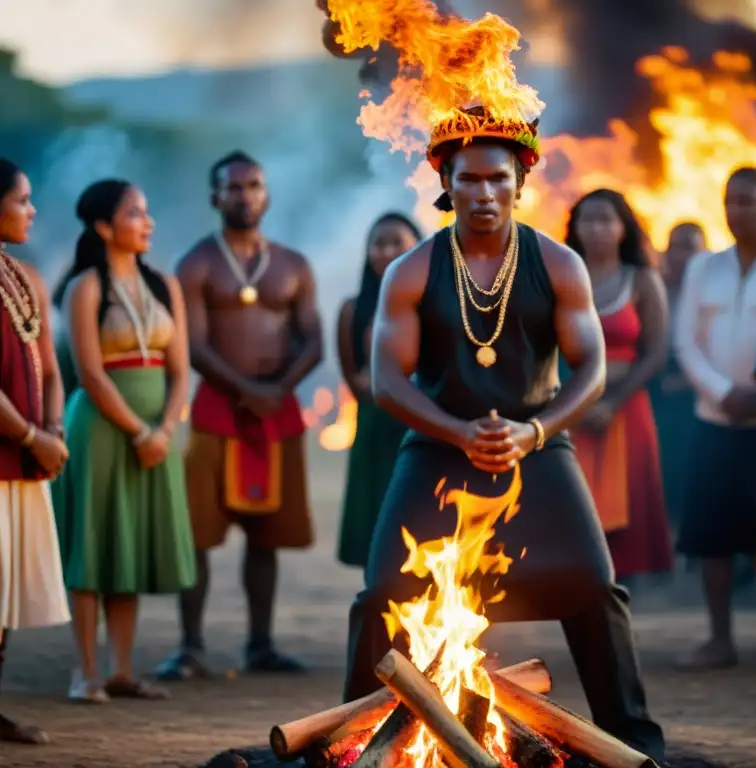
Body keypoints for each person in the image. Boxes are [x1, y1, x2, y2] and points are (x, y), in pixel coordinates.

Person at [343, 107, 665, 760]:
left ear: (521, 183)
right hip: (438, 445)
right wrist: (459, 433)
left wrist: (536, 430)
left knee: (594, 585)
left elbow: (593, 370)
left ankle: (632, 743)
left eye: (497, 179)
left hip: (538, 446)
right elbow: (387, 382)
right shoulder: (411, 270)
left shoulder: (559, 263)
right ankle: (351, 744)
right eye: (470, 180)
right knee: (381, 592)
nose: (484, 193)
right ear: (446, 184)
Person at [156, 151, 323, 680]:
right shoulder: (197, 263)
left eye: (253, 185)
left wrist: (277, 390)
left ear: (266, 194)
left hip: (277, 409)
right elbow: (194, 344)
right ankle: (190, 647)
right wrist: (250, 389)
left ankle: (260, 644)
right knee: (199, 533)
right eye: (232, 187)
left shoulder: (293, 264)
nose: (243, 195)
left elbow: (314, 340)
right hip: (217, 410)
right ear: (214, 197)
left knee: (266, 535)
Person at [52, 179, 195, 703]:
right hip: (102, 428)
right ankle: (85, 671)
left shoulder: (165, 286)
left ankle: (122, 671)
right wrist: (138, 431)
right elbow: (89, 373)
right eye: (135, 213)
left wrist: (164, 429)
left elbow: (180, 370)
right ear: (104, 226)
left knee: (129, 543)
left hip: (155, 430)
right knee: (94, 543)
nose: (147, 222)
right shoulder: (84, 287)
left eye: (146, 211)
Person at [675, 167, 756, 671]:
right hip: (713, 418)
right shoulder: (702, 268)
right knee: (712, 536)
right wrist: (723, 391)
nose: (737, 212)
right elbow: (685, 341)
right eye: (730, 202)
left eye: (748, 202)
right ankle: (719, 638)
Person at [566, 189, 673, 582]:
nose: (596, 229)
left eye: (605, 219)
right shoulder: (561, 277)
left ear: (623, 227)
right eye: (587, 220)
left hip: (625, 410)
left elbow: (656, 351)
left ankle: (621, 595)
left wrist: (611, 403)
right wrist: (576, 400)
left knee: (626, 503)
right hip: (571, 408)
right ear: (575, 228)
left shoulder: (642, 280)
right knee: (574, 503)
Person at [0, 160, 70, 744]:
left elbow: (49, 366)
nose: (32, 209)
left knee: (3, 588)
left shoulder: (25, 277)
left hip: (26, 457)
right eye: (23, 199)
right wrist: (32, 438)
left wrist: (53, 430)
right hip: (12, 450)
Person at [336, 212, 422, 568]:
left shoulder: (435, 305)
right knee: (377, 524)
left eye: (396, 243)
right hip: (374, 425)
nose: (386, 252)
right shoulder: (353, 311)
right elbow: (353, 375)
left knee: (422, 521)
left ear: (417, 249)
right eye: (378, 243)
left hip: (423, 425)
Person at [649, 222, 705, 527]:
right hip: (656, 383)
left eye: (690, 248)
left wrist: (689, 380)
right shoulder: (654, 286)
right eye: (676, 247)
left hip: (700, 389)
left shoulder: (711, 291)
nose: (682, 256)